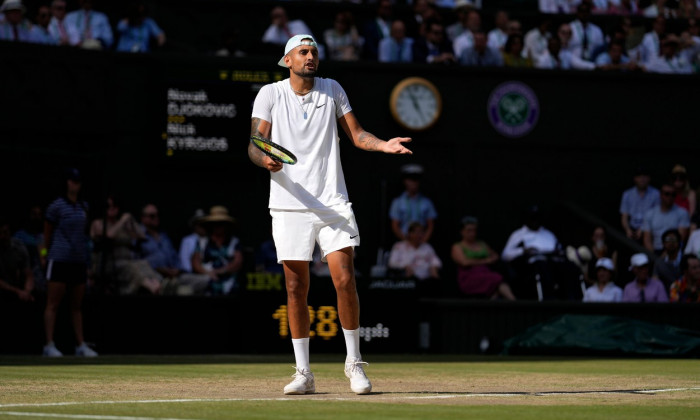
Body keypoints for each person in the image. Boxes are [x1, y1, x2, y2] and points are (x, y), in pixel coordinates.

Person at [248, 34, 412, 395]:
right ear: (287, 60)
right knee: (295, 287)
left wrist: (383, 144)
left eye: (314, 52)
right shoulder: (270, 94)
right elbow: (255, 143)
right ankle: (304, 373)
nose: (311, 57)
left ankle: (354, 362)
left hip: (332, 202)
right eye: (303, 52)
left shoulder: (332, 88)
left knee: (344, 279)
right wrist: (265, 159)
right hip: (289, 203)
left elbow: (356, 134)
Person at [40, 168, 98, 357]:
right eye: (72, 181)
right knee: (53, 303)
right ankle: (49, 344)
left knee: (76, 306)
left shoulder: (84, 207)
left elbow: (83, 235)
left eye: (78, 181)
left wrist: (87, 262)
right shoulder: (56, 206)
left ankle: (80, 345)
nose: (75, 184)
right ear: (67, 182)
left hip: (78, 261)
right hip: (58, 259)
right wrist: (44, 255)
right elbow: (46, 235)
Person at [501, 205, 581, 300]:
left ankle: (573, 300)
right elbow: (505, 254)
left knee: (570, 266)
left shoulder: (548, 234)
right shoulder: (518, 234)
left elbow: (560, 249)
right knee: (543, 267)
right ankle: (548, 300)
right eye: (532, 218)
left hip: (554, 262)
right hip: (534, 265)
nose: (535, 221)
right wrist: (523, 251)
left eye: (537, 218)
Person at [89, 195, 160, 295]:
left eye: (115, 205)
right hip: (109, 263)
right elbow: (109, 235)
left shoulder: (123, 225)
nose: (112, 208)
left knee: (143, 264)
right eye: (109, 206)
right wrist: (122, 220)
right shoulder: (98, 223)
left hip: (127, 260)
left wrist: (131, 220)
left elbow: (142, 236)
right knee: (132, 268)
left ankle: (158, 285)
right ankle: (151, 287)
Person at [138, 204, 210, 295]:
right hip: (153, 274)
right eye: (152, 216)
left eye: (157, 215)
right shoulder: (137, 235)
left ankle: (176, 288)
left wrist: (177, 270)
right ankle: (171, 288)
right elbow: (137, 260)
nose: (156, 218)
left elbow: (175, 257)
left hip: (175, 274)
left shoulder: (164, 236)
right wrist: (159, 269)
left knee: (205, 280)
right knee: (162, 284)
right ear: (143, 218)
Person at [451, 216, 515, 300]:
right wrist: (486, 260)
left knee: (496, 285)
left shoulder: (482, 244)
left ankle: (511, 302)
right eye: (469, 230)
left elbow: (495, 256)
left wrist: (491, 259)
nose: (472, 233)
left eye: (474, 230)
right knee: (496, 279)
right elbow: (464, 262)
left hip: (485, 272)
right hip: (469, 276)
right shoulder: (458, 246)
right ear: (462, 231)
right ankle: (513, 301)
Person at [191, 206, 243, 295]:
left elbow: (238, 262)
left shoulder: (234, 242)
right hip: (207, 282)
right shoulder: (203, 242)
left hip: (229, 282)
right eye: (216, 223)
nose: (218, 226)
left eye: (221, 223)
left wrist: (222, 271)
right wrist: (208, 273)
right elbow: (196, 263)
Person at [387, 222, 442, 294]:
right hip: (407, 282)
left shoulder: (427, 247)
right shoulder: (399, 246)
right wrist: (404, 267)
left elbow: (437, 261)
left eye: (422, 232)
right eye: (417, 232)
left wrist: (434, 267)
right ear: (410, 233)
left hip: (426, 282)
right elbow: (392, 263)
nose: (420, 235)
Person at [389, 164, 437, 243]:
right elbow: (395, 226)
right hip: (404, 242)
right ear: (405, 181)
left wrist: (423, 241)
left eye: (416, 179)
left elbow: (430, 226)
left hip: (421, 242)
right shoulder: (397, 202)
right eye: (410, 179)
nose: (413, 183)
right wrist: (406, 241)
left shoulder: (427, 202)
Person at [642, 182, 690, 254]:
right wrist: (654, 258)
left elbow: (681, 238)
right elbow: (647, 239)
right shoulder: (650, 213)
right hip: (655, 251)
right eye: (667, 194)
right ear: (661, 195)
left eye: (673, 194)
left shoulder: (682, 213)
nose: (670, 197)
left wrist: (665, 256)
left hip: (674, 252)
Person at [620, 166, 660, 244]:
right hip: (631, 228)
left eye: (644, 176)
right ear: (635, 179)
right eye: (639, 176)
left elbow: (656, 216)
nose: (642, 179)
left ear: (649, 178)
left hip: (648, 229)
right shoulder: (627, 194)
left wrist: (642, 228)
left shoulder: (656, 194)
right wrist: (628, 230)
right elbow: (624, 217)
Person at [0, 218, 35, 303]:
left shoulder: (20, 246)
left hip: (16, 285)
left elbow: (28, 273)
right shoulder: (21, 234)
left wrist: (27, 292)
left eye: (5, 232)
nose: (2, 236)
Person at [13, 205, 46, 292]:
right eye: (34, 214)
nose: (37, 217)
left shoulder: (42, 237)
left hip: (40, 280)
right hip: (23, 279)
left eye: (39, 215)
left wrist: (43, 255)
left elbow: (43, 255)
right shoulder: (19, 236)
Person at [178, 209, 206, 273]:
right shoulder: (187, 240)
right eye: (199, 224)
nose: (202, 226)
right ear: (195, 225)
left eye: (203, 223)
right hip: (194, 273)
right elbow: (184, 260)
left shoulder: (210, 239)